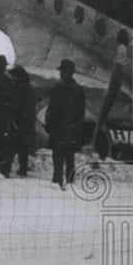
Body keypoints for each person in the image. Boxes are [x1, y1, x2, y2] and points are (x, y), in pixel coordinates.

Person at [45, 58, 86, 189]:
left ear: (65, 72)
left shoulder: (58, 88)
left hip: (58, 129)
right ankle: (70, 182)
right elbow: (81, 112)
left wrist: (49, 124)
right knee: (70, 157)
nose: (60, 73)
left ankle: (57, 181)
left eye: (62, 71)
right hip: (72, 129)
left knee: (58, 156)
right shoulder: (79, 89)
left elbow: (52, 109)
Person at [9, 65, 37, 177]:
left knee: (11, 145)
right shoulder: (28, 87)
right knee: (23, 147)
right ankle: (23, 169)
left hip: (18, 121)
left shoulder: (17, 87)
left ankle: (6, 167)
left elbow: (15, 105)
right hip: (26, 122)